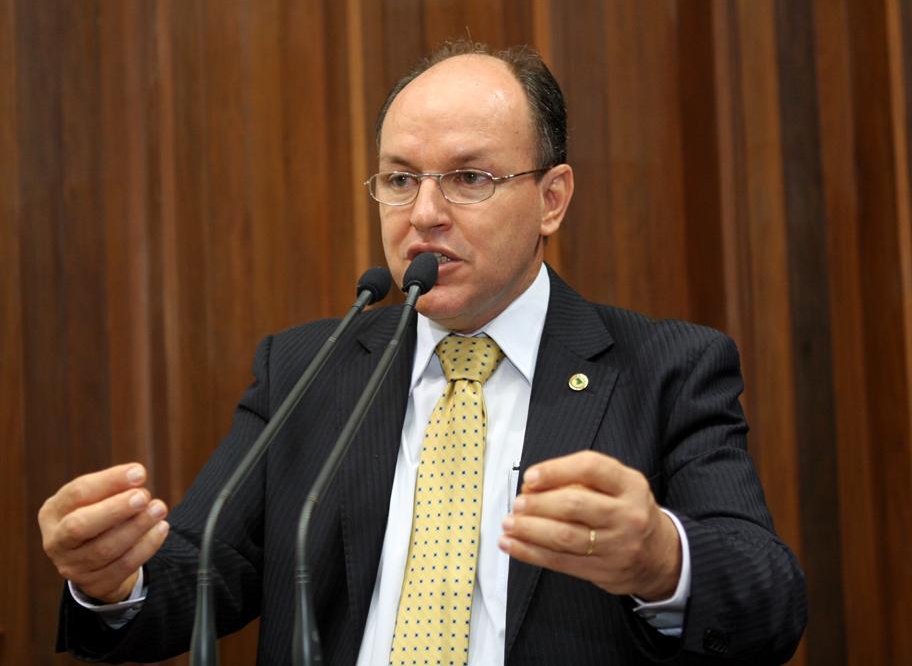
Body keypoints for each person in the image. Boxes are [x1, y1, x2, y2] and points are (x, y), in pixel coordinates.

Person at [40, 41, 806, 664]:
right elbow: (204, 577)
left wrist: (661, 561)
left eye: (469, 178)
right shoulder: (307, 367)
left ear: (552, 198)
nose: (426, 214)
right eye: (401, 180)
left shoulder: (667, 368)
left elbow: (771, 602)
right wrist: (115, 581)